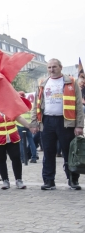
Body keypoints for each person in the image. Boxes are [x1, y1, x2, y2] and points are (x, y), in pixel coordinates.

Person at [30, 58, 84, 190]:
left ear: (61, 67)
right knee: (48, 152)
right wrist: (34, 122)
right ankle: (49, 181)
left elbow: (78, 105)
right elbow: (36, 103)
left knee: (68, 152)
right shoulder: (43, 83)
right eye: (49, 67)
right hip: (47, 121)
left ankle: (73, 180)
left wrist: (79, 125)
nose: (51, 70)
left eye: (54, 67)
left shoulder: (71, 81)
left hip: (66, 122)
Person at [0, 100, 32, 189]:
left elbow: (18, 118)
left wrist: (29, 126)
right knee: (1, 160)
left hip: (12, 138)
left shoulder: (9, 106)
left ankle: (19, 180)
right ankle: (5, 181)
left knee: (16, 158)